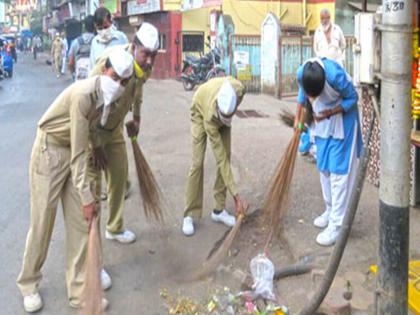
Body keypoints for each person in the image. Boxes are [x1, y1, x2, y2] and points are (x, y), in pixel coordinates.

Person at [16, 48, 134, 313]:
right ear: (104, 69)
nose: (118, 85)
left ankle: (80, 292)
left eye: (124, 82)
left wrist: (99, 148)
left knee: (82, 226)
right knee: (42, 222)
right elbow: (79, 153)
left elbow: (91, 133)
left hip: (74, 151)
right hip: (50, 150)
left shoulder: (109, 98)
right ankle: (29, 283)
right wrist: (87, 197)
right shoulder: (83, 95)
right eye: (115, 77)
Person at [89, 22, 159, 244]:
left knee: (119, 176)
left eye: (153, 56)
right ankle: (92, 250)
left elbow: (138, 90)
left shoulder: (145, 68)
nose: (149, 61)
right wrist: (95, 145)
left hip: (115, 128)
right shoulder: (112, 61)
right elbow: (87, 102)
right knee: (93, 191)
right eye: (146, 54)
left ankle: (114, 228)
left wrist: (136, 117)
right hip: (94, 130)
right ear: (135, 46)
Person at [294, 58, 361, 246]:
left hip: (343, 122)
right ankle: (330, 210)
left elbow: (353, 97)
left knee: (338, 173)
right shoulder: (303, 72)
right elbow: (302, 92)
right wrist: (298, 119)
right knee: (323, 167)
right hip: (321, 121)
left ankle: (337, 225)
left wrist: (331, 113)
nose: (312, 99)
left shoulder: (335, 76)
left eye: (315, 95)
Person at [182, 77, 246, 236]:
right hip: (200, 110)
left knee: (227, 154)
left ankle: (219, 210)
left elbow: (225, 158)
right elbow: (220, 158)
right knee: (198, 163)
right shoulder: (210, 118)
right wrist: (237, 196)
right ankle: (189, 214)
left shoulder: (239, 90)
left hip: (223, 115)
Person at [69, 15, 95, 81]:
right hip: (94, 80)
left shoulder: (76, 42)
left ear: (84, 27)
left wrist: (74, 73)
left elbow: (71, 63)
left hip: (80, 79)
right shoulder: (98, 42)